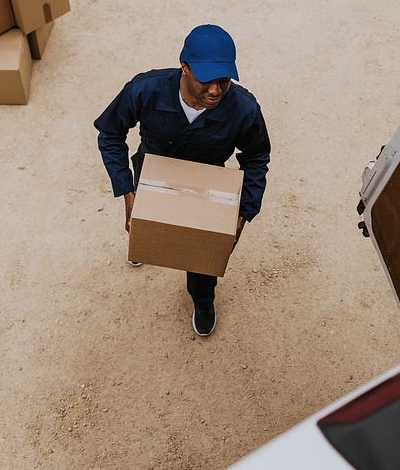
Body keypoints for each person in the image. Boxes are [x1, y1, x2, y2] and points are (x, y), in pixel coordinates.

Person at [94, 24, 271, 337]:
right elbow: (110, 132)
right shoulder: (145, 90)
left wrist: (243, 213)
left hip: (206, 190)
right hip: (152, 177)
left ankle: (203, 301)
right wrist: (128, 192)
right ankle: (143, 246)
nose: (215, 90)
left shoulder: (244, 109)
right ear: (184, 68)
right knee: (144, 231)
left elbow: (256, 157)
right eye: (206, 80)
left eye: (224, 80)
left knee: (202, 258)